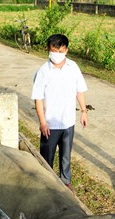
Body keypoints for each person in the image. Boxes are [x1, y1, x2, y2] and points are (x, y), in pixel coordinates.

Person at [31, 34, 88, 191]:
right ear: (48, 50)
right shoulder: (43, 71)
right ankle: (46, 183)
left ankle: (65, 181)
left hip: (68, 121)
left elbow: (80, 90)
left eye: (60, 50)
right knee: (47, 156)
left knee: (66, 155)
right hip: (50, 123)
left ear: (66, 50)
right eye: (53, 50)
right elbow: (38, 99)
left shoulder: (73, 67)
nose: (57, 54)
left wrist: (83, 111)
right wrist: (42, 122)